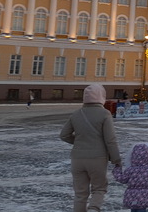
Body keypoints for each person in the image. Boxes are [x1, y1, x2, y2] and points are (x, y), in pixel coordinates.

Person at [60, 84, 122, 212]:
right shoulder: (105, 114)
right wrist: (116, 159)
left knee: (80, 193)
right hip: (97, 158)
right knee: (99, 188)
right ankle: (94, 209)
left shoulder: (76, 114)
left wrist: (78, 142)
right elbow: (110, 140)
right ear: (102, 97)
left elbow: (64, 135)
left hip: (77, 158)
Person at [113, 142, 148, 212]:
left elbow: (121, 178)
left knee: (133, 210)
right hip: (145, 196)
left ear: (132, 156)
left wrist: (117, 169)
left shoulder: (130, 170)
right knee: (142, 209)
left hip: (131, 196)